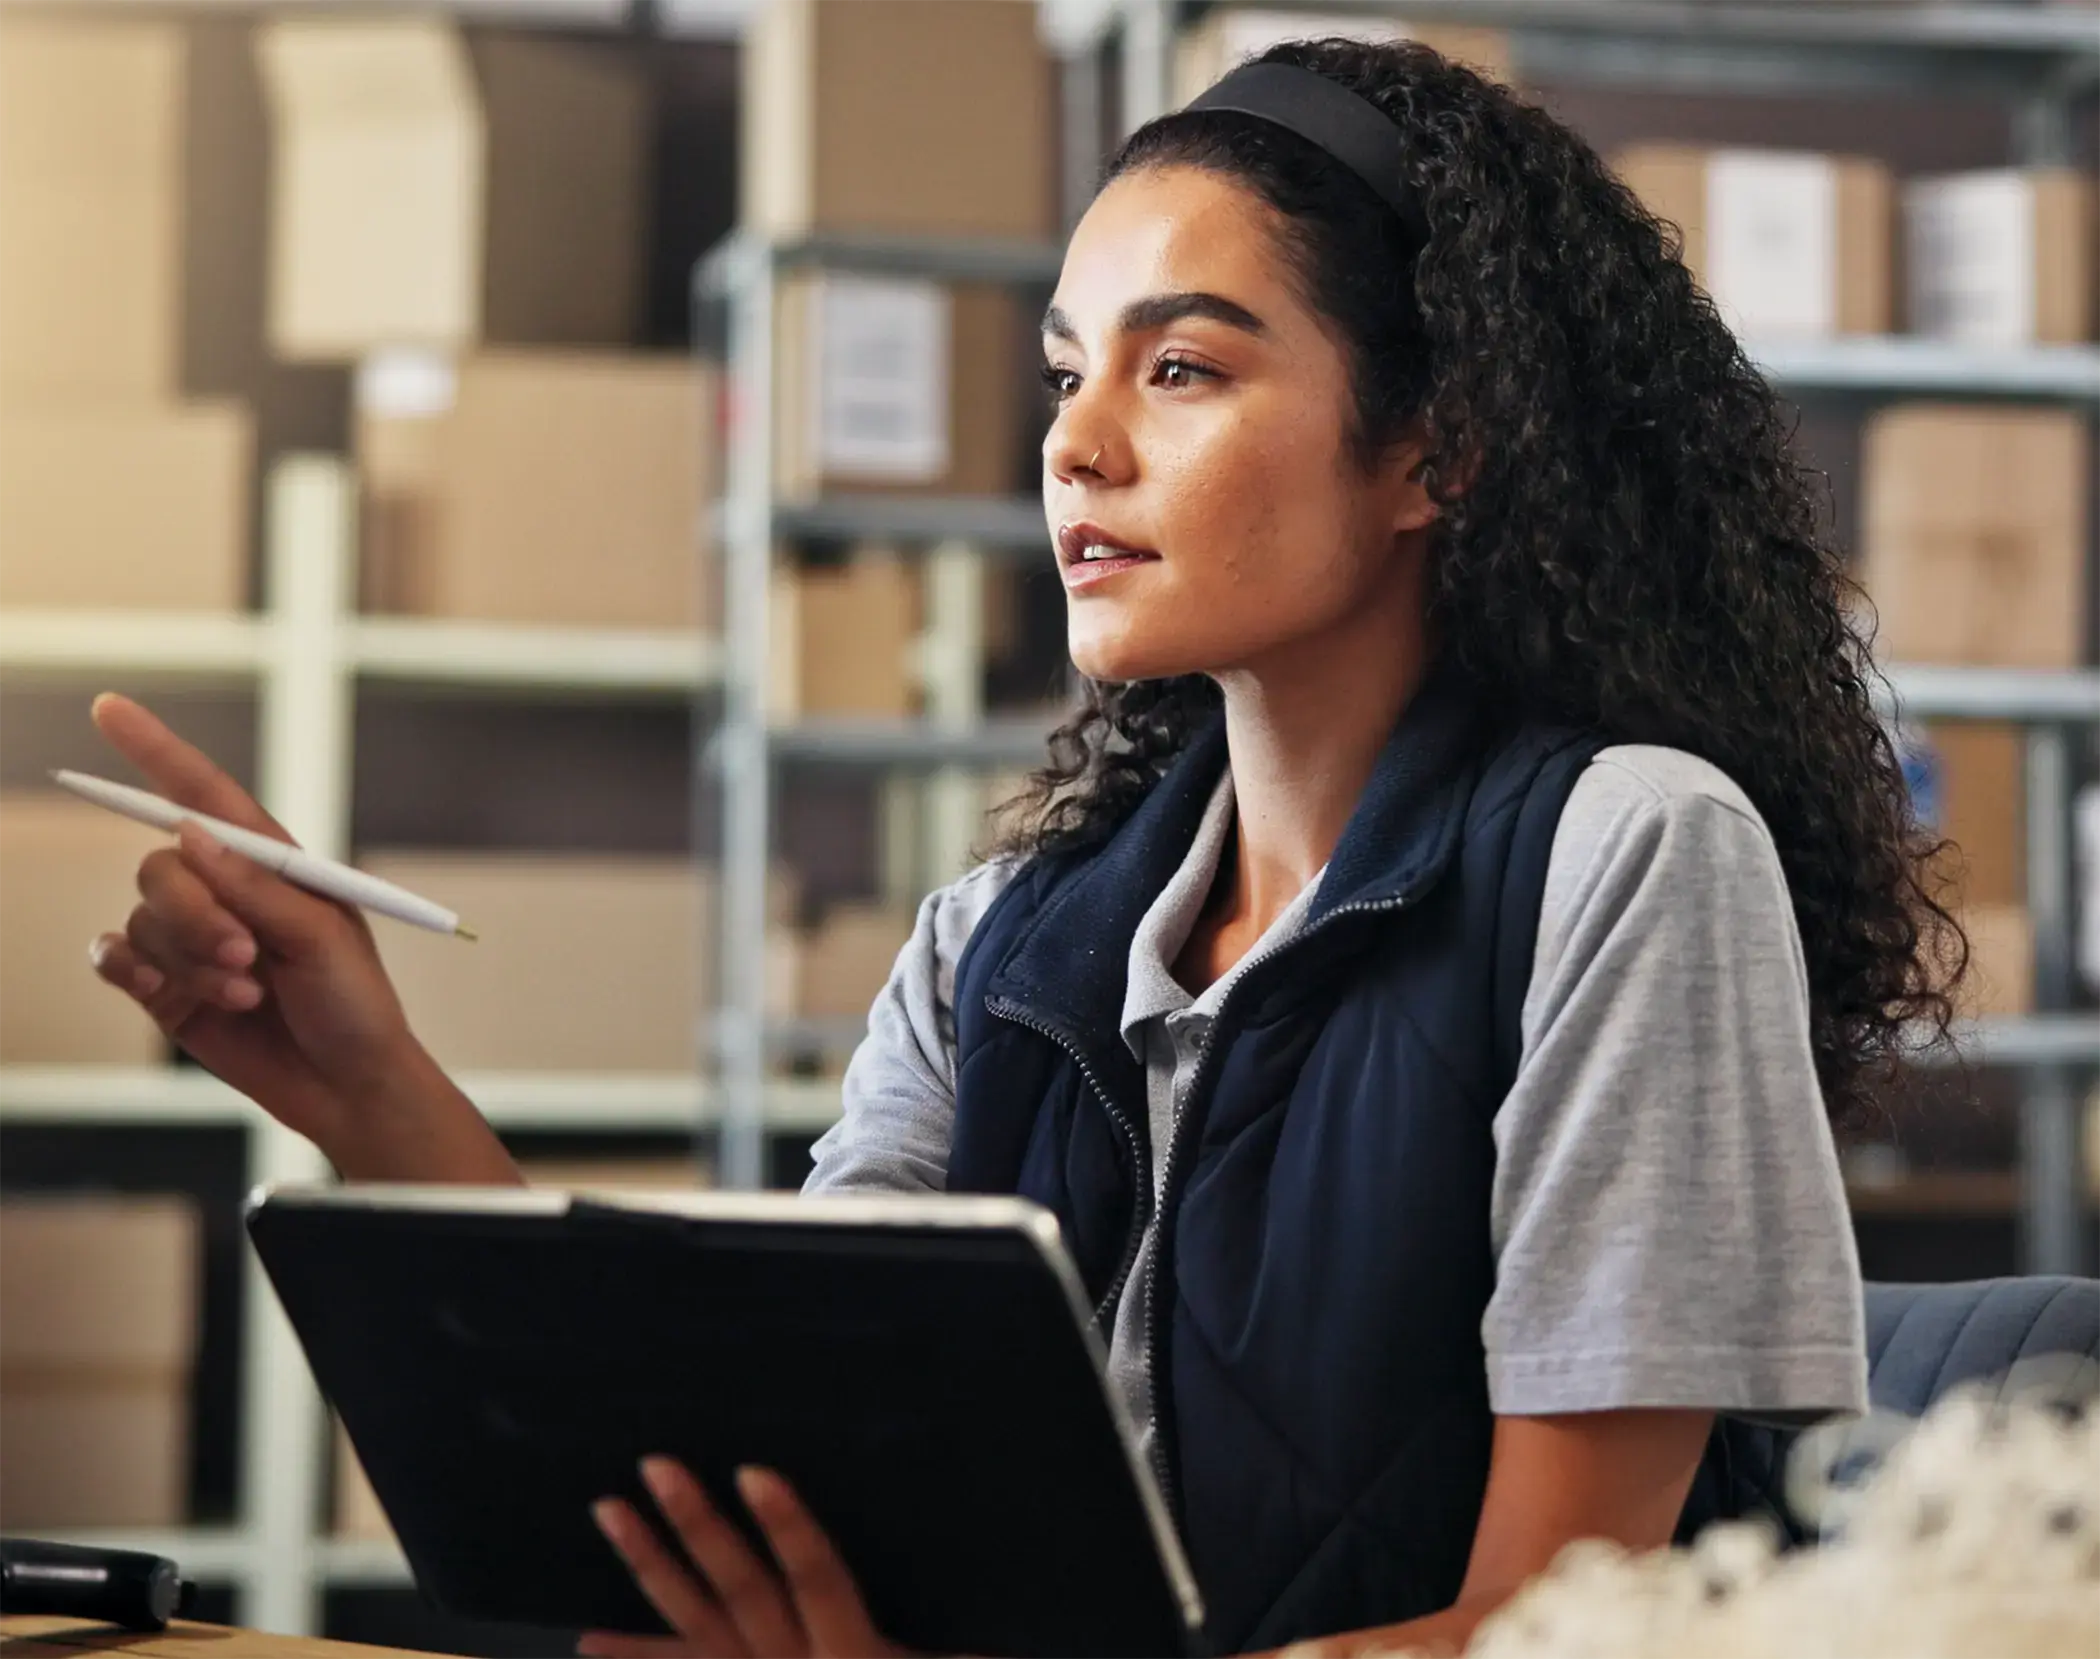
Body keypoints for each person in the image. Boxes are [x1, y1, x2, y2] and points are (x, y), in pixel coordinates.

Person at [87, 37, 1954, 1659]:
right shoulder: (1005, 935)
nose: (1077, 448)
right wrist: (364, 1074)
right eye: (1067, 373)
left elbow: (1574, 1626)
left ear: (1435, 452)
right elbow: (746, 1436)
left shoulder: (1628, 853)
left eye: (1185, 370)